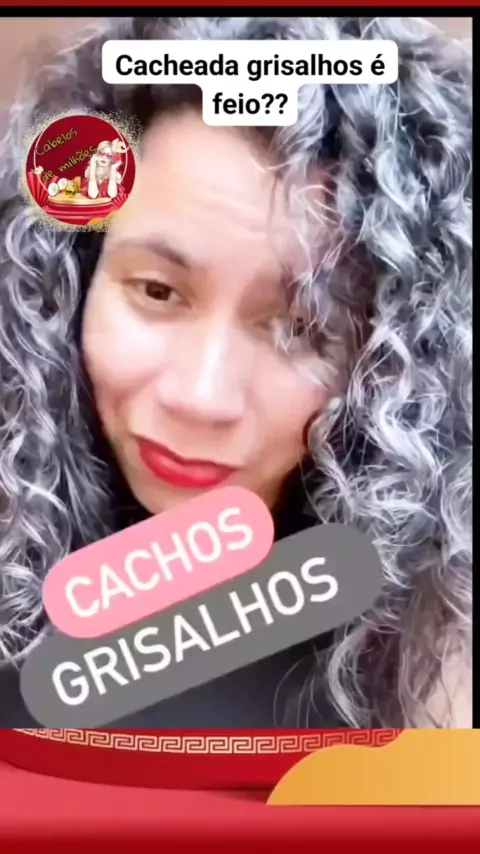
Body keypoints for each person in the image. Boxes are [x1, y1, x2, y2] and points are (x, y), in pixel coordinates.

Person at [0, 16, 472, 728]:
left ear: (392, 355)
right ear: (69, 276)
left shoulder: (431, 640)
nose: (201, 397)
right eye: (157, 291)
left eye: (301, 327)